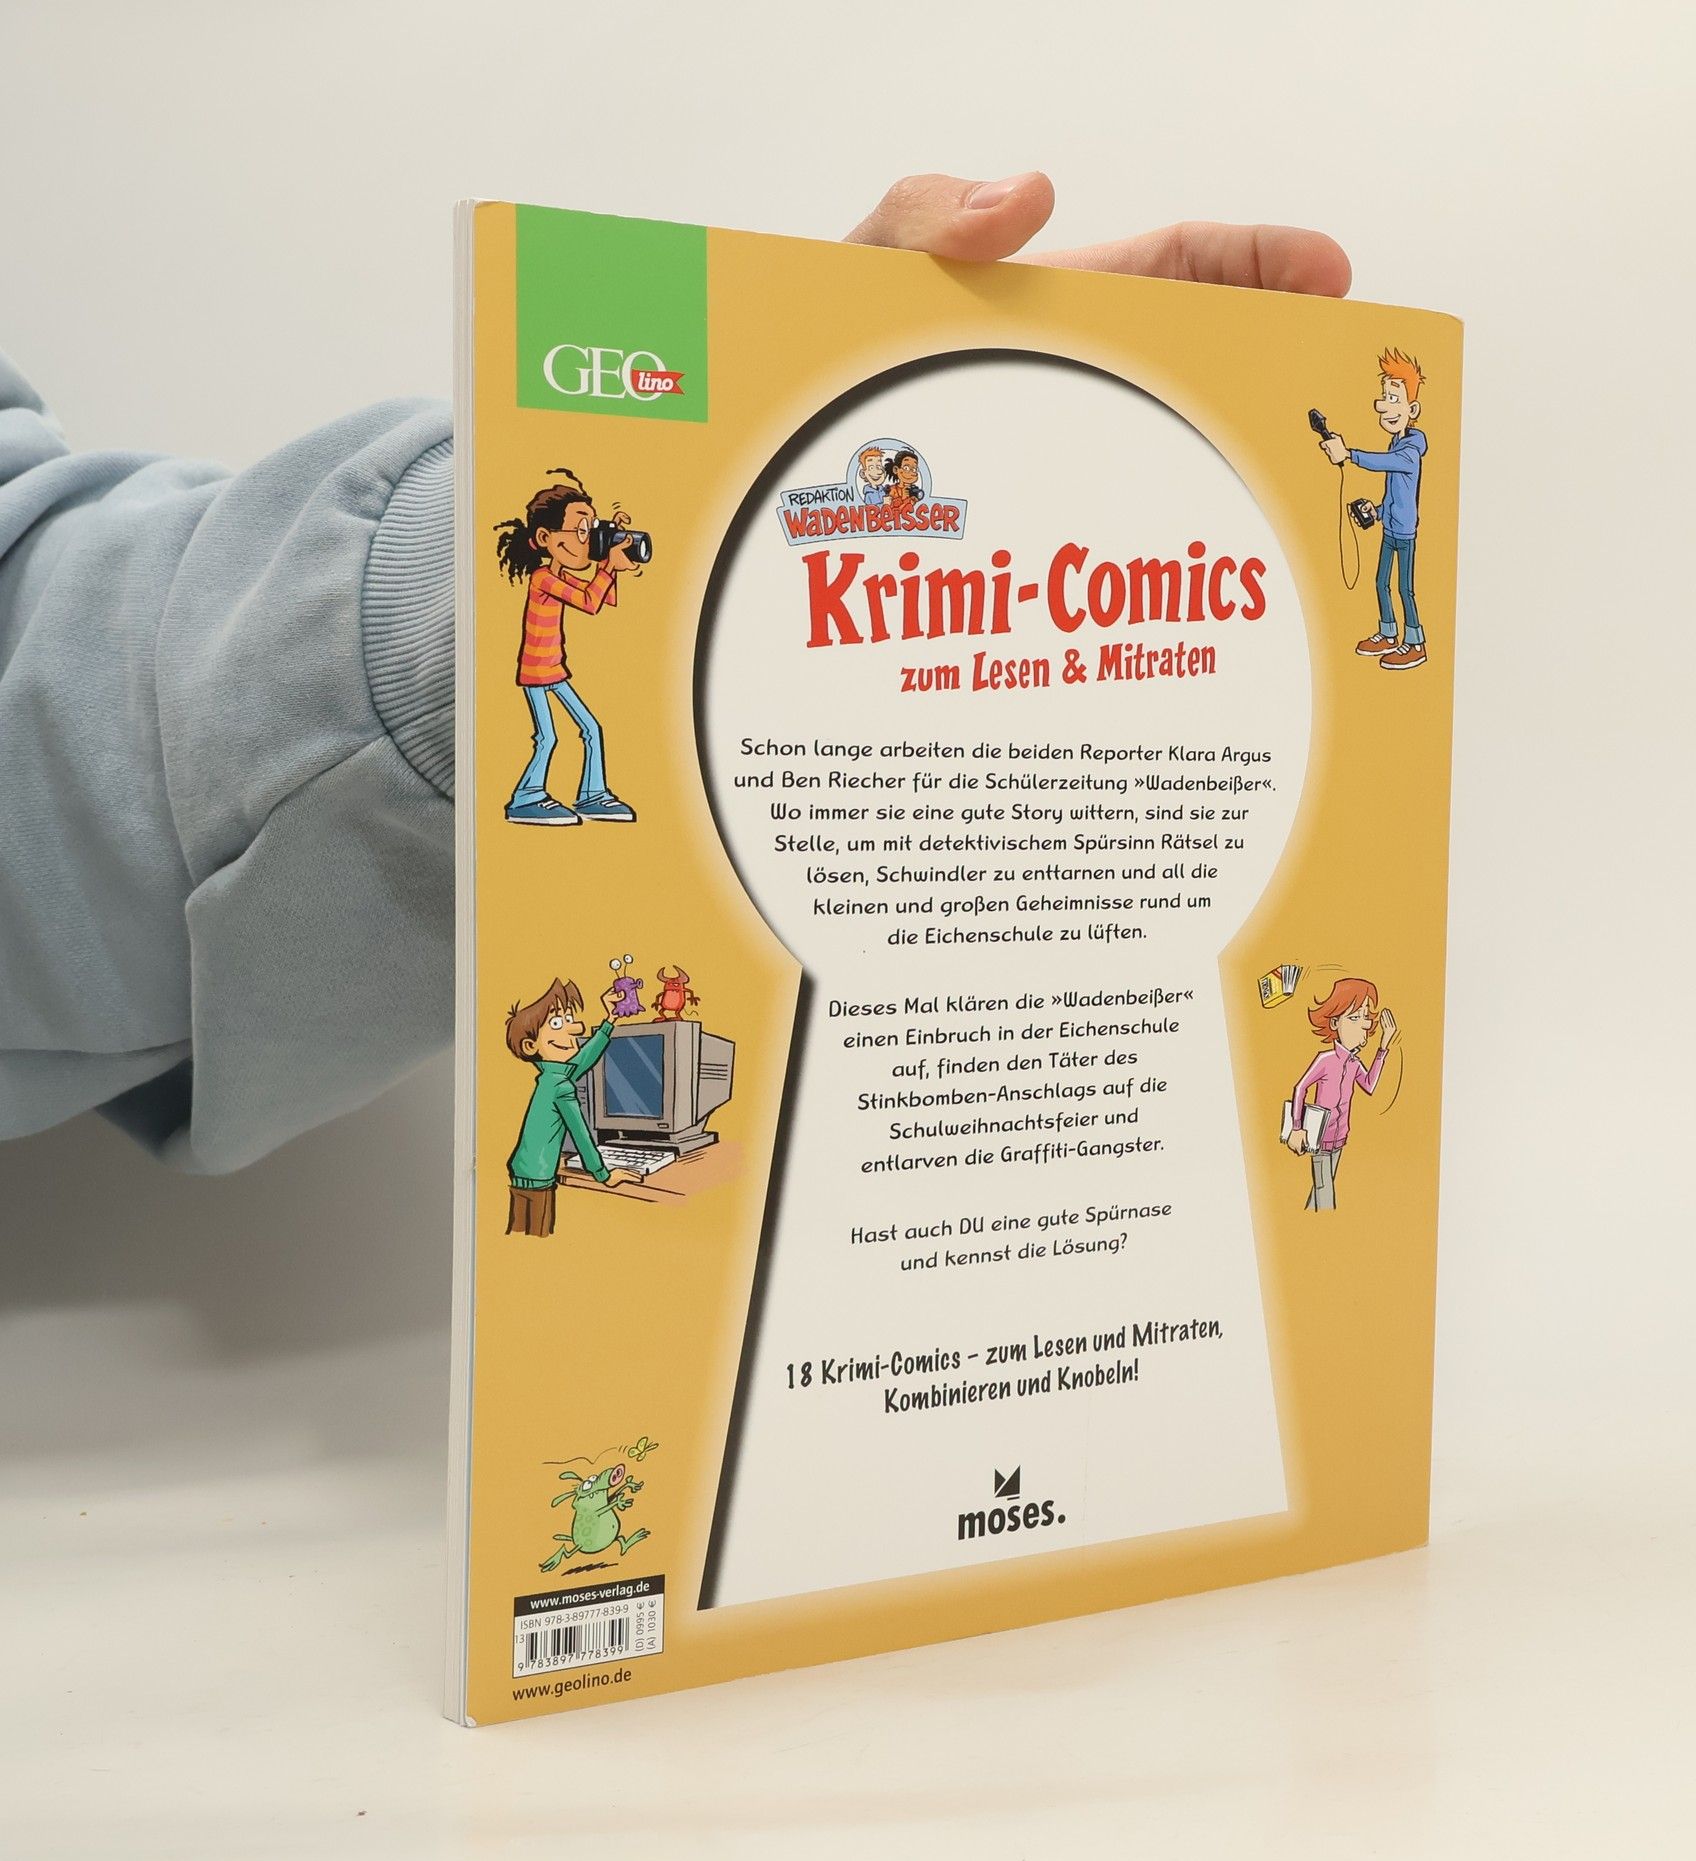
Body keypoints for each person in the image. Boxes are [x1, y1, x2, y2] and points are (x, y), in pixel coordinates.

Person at [0, 172, 1350, 1173]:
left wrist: (706, 537)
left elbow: (38, 627)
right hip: (532, 678)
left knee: (574, 740)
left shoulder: (572, 578)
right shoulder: (553, 582)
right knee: (569, 739)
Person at [493, 470, 639, 827]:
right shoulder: (543, 578)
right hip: (536, 671)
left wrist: (610, 562)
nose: (587, 541)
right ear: (546, 537)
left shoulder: (562, 576)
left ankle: (592, 794)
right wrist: (608, 568)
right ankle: (526, 798)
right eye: (581, 530)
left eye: (591, 530)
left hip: (555, 670)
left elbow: (605, 600)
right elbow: (589, 602)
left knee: (592, 729)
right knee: (548, 737)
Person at [1317, 348, 1429, 670]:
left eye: (1394, 399)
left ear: (1412, 409)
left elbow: (1385, 464)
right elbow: (1396, 492)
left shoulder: (1409, 452)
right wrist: (1377, 511)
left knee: (1405, 588)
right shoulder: (1396, 443)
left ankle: (1415, 643)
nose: (1385, 406)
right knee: (1381, 582)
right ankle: (1389, 633)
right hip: (1389, 527)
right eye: (1385, 397)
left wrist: (1349, 454)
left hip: (1404, 533)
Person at [503, 979, 639, 1236]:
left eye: (569, 1019)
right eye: (557, 1023)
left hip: (522, 1170)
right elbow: (581, 1135)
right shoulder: (561, 1086)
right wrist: (604, 1175)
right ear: (531, 1046)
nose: (575, 1029)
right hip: (538, 1178)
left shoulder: (551, 1077)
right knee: (535, 1236)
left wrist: (609, 1021)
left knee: (520, 1232)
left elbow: (582, 1061)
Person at [1285, 977, 1397, 1211]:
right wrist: (1296, 1127)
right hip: (1318, 1137)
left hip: (1340, 1137)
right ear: (1335, 1022)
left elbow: (1369, 1085)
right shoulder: (1325, 1060)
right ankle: (1324, 1226)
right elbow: (1300, 1088)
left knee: (1322, 1187)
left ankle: (1311, 1219)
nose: (1363, 1025)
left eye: (1365, 1018)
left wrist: (1383, 1047)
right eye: (1354, 1018)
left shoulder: (1354, 1063)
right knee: (1325, 1190)